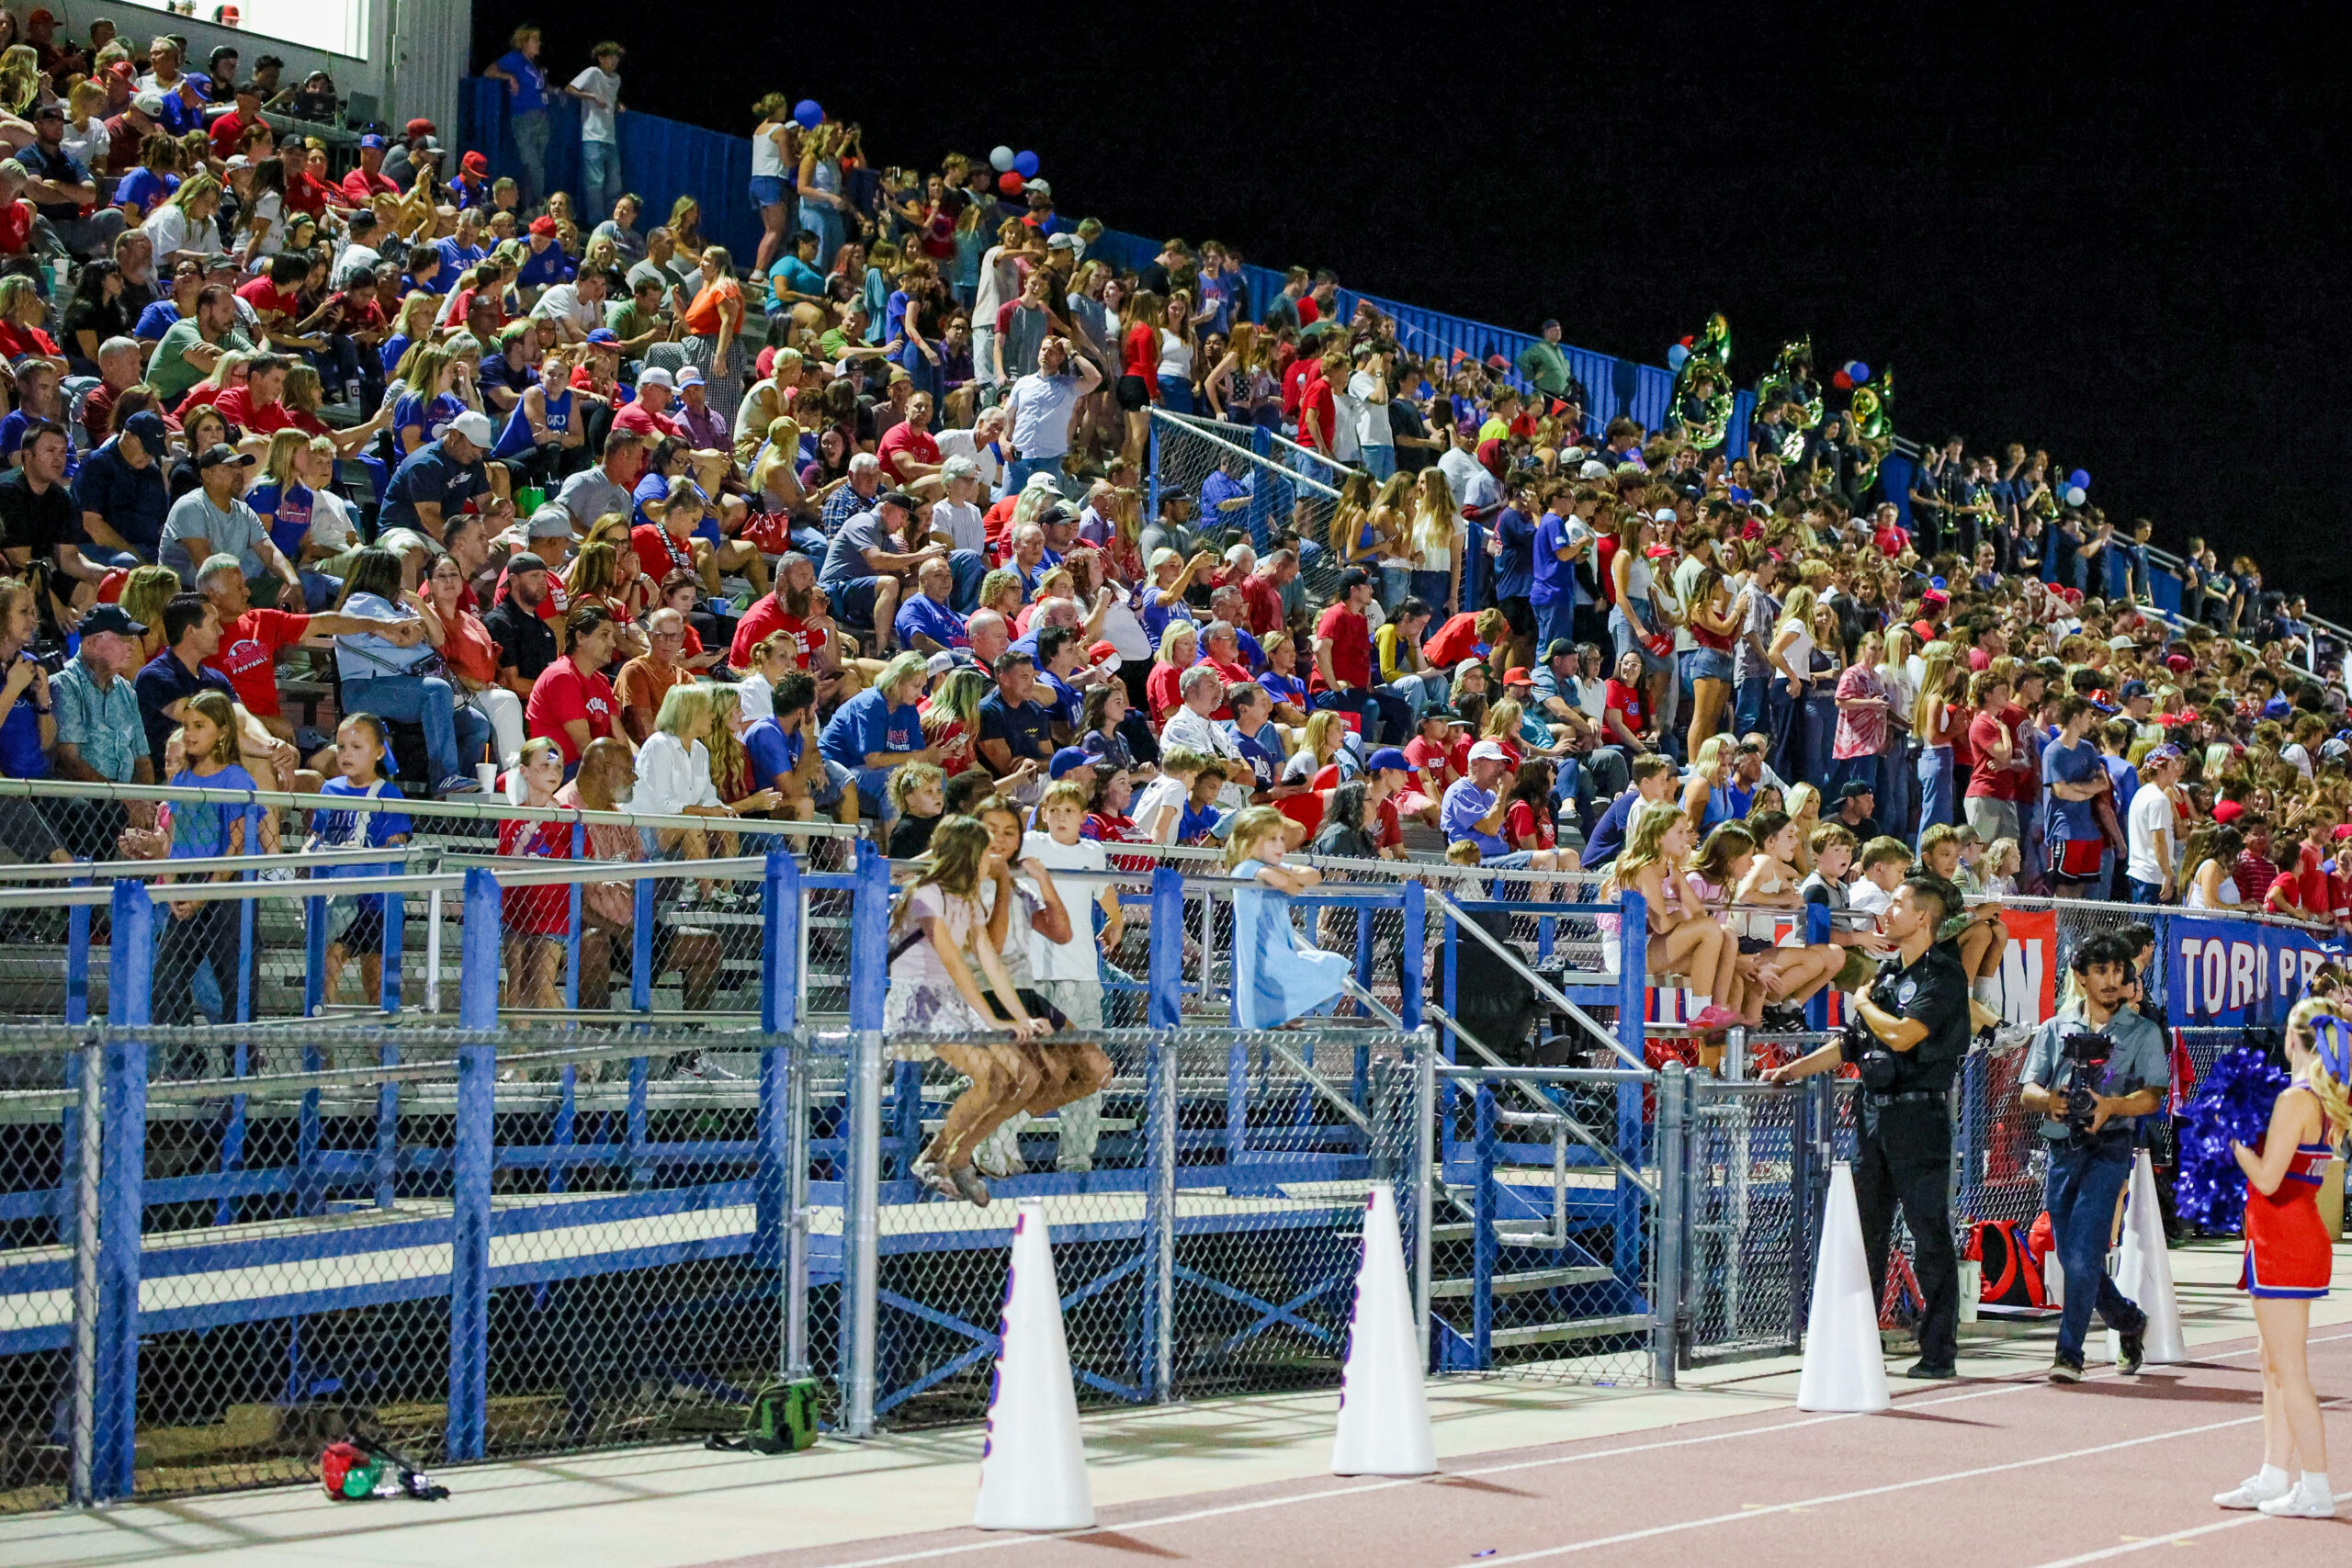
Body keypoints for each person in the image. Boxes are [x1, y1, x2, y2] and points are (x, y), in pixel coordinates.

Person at [1766, 874, 1973, 1379]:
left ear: (1922, 917)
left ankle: (1937, 1351)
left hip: (1919, 1117)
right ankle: (1858, 1342)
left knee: (1928, 1236)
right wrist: (1793, 1070)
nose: (1889, 910)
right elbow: (1851, 1044)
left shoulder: (1943, 975)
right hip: (1872, 1112)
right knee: (1865, 1235)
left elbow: (1903, 1036)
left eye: (1899, 903)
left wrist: (1862, 1003)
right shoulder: (1885, 975)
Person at [2216, 998, 2347, 1518]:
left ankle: (2315, 1485)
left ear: (2292, 1039)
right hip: (2289, 1235)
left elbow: (2268, 1180)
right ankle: (2274, 1475)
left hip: (2283, 1240)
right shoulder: (2327, 1097)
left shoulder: (2297, 1099)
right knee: (2271, 1363)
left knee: (2290, 1371)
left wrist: (2233, 1141)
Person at [2017, 931, 2167, 1382]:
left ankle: (2069, 1355)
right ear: (2081, 977)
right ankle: (2129, 1319)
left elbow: (2153, 1096)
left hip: (2110, 1148)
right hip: (2062, 1149)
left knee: (2084, 1254)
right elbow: (2028, 1090)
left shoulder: (2142, 1031)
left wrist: (2110, 1106)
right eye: (2101, 971)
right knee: (2074, 1258)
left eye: (2118, 971)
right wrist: (2051, 1101)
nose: (2111, 980)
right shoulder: (2054, 1028)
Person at [885, 815, 1049, 1203]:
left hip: (952, 999)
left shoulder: (969, 899)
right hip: (920, 999)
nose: (991, 860)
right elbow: (954, 963)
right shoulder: (926, 894)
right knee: (989, 1074)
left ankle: (957, 1158)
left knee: (1024, 1077)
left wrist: (1019, 1017)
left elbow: (989, 961)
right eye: (985, 852)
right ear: (966, 855)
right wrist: (993, 1019)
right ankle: (933, 1159)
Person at [304, 713, 412, 1007]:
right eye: (341, 747)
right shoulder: (330, 789)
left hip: (377, 902)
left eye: (356, 747)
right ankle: (323, 1028)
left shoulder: (388, 795)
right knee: (328, 964)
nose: (346, 754)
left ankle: (381, 1033)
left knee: (375, 979)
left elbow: (396, 846)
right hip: (339, 898)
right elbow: (319, 834)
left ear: (378, 752)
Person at [1226, 805, 1355, 1028]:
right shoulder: (1246, 868)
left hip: (1279, 946)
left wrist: (1289, 873)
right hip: (1262, 949)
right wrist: (1292, 875)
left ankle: (1283, 1018)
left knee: (1330, 964)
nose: (1281, 845)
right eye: (1272, 839)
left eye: (1281, 838)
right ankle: (1276, 1018)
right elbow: (1290, 886)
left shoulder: (1271, 866)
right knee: (1279, 979)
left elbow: (1314, 876)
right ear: (1251, 842)